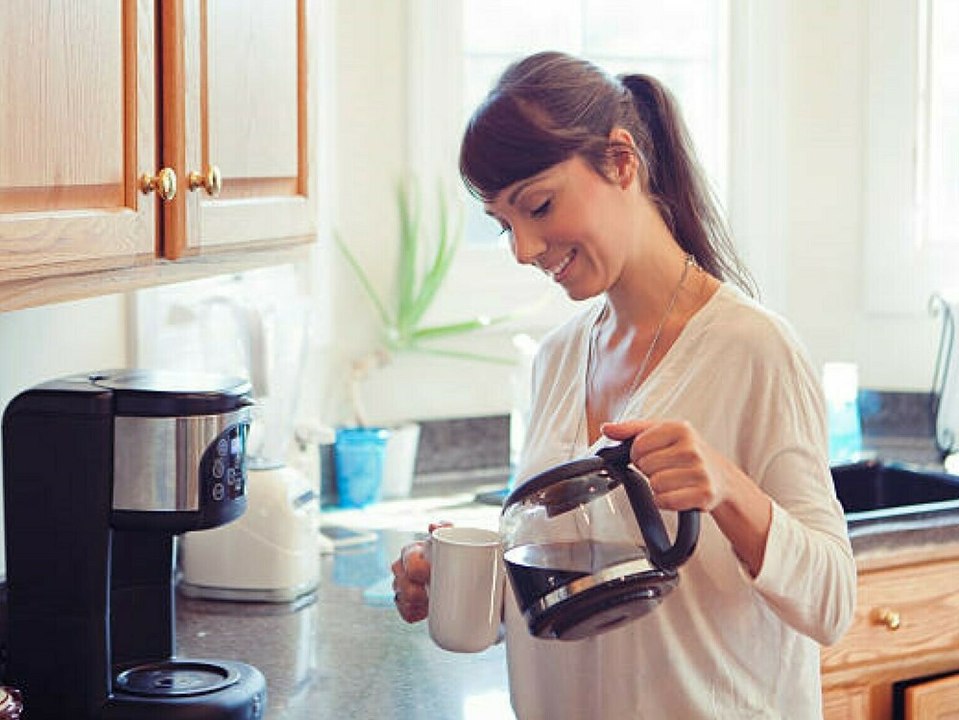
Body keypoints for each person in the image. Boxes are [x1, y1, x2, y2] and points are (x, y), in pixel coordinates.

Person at [392, 50, 856, 719]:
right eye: (502, 225)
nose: (522, 248)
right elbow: (581, 596)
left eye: (538, 206)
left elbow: (832, 603)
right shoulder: (555, 361)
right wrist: (463, 585)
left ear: (620, 160)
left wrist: (725, 486)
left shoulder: (753, 348)